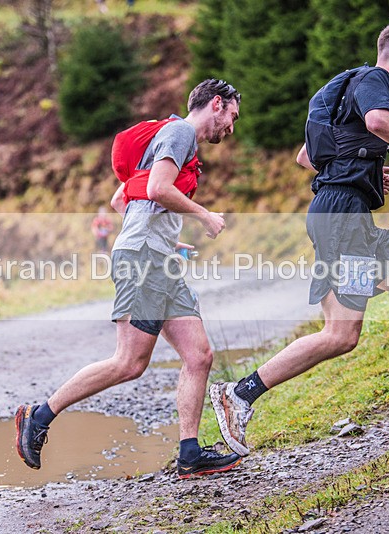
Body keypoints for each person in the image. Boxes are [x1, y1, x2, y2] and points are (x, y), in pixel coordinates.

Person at [210, 20, 389, 458]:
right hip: (342, 221)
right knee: (349, 330)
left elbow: (307, 156)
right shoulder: (375, 81)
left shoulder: (349, 87)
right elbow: (379, 120)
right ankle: (239, 394)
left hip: (345, 216)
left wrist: (358, 168)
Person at [16, 79, 242, 479]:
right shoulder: (179, 133)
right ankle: (39, 416)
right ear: (217, 105)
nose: (231, 128)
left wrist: (164, 242)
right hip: (142, 260)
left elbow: (122, 199)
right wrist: (203, 216)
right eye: (233, 118)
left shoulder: (170, 139)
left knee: (199, 355)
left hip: (156, 258)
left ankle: (189, 453)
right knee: (129, 362)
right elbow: (156, 189)